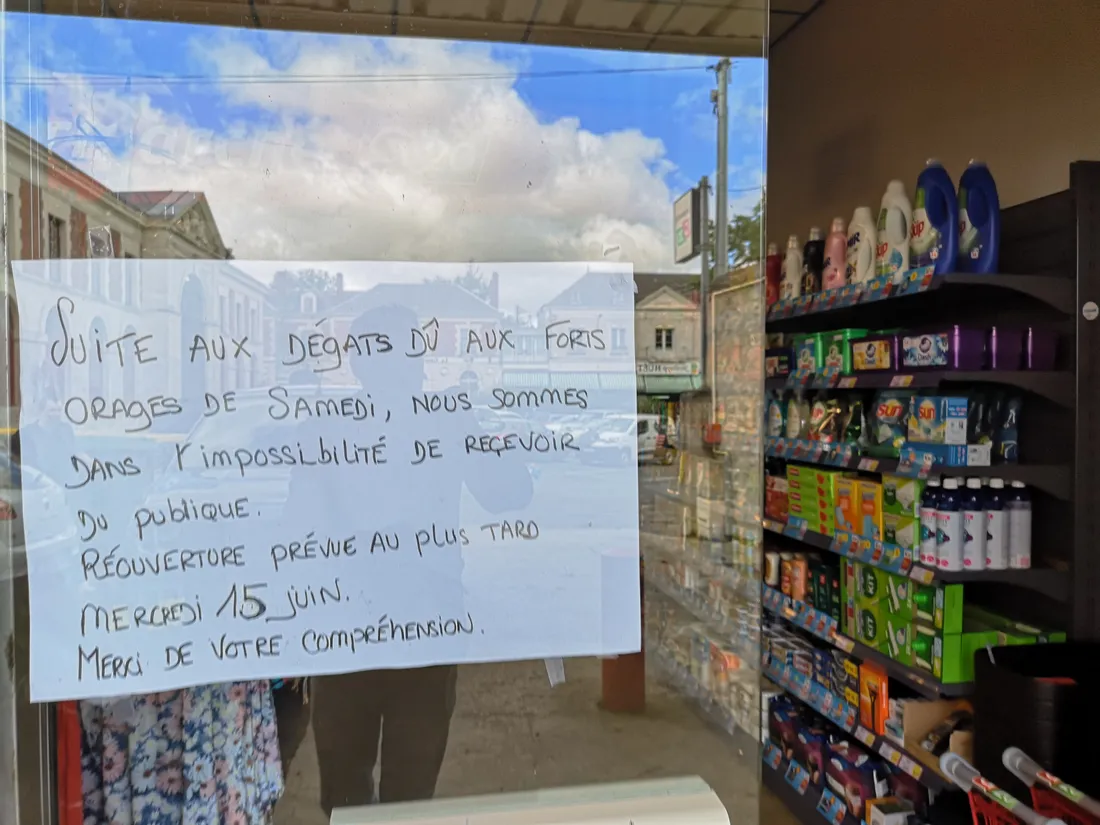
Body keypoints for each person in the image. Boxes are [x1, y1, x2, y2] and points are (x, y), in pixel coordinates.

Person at [276, 303, 533, 812]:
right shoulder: (422, 423)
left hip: (370, 630)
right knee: (401, 796)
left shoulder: (333, 428)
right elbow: (512, 492)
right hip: (401, 630)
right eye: (397, 353)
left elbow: (297, 529)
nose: (404, 365)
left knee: (356, 794)